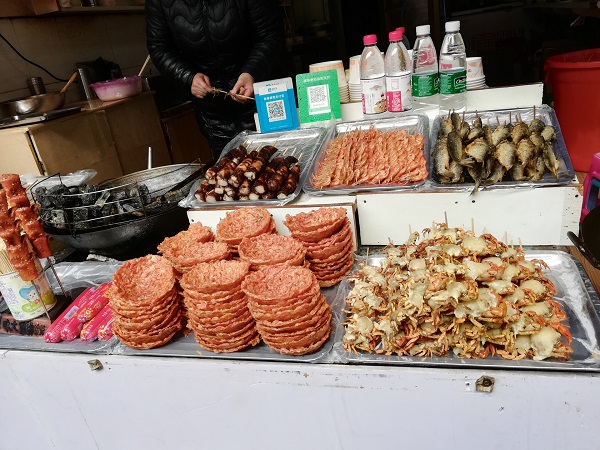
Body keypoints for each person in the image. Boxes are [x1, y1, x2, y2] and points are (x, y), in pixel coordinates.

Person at [146, 0, 285, 161]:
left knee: (279, 165)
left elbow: (271, 35)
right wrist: (188, 77)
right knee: (228, 174)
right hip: (213, 113)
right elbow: (159, 48)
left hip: (261, 100)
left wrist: (251, 72)